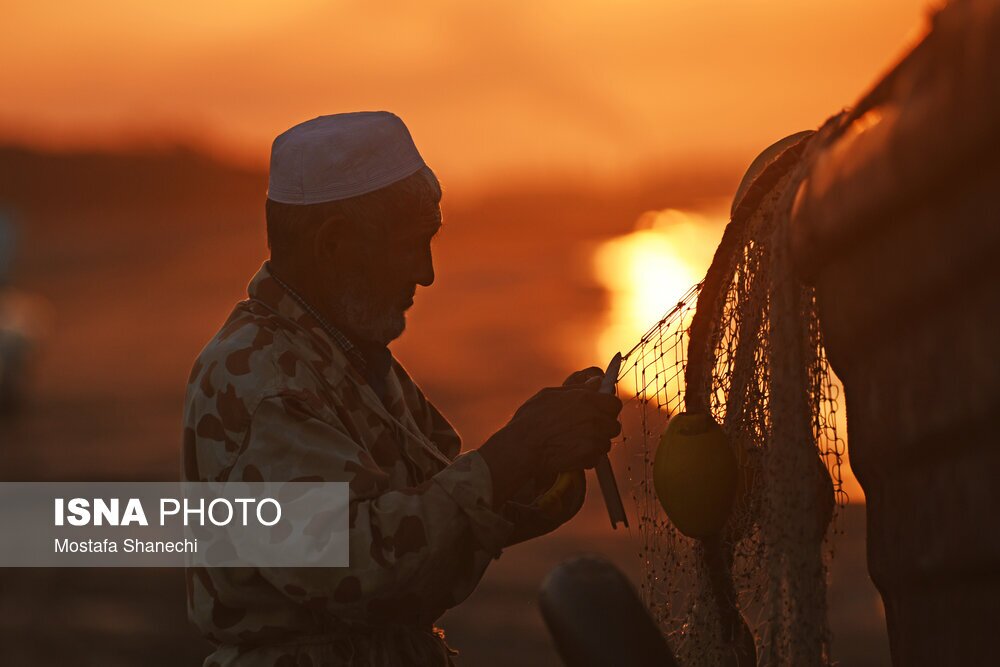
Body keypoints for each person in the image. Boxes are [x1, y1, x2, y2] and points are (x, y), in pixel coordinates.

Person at [182, 111, 623, 666]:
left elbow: (438, 509)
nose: (427, 272)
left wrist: (545, 458)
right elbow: (358, 566)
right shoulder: (261, 379)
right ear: (335, 244)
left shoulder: (343, 351)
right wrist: (518, 449)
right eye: (413, 244)